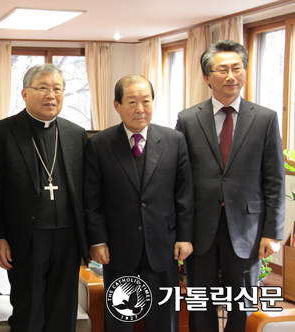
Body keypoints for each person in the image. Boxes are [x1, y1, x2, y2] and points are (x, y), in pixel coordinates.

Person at [175, 40, 285, 332]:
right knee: (202, 299)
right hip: (201, 227)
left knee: (242, 302)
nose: (231, 76)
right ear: (206, 76)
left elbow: (274, 180)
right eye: (222, 69)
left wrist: (272, 232)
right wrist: (180, 232)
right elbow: (180, 181)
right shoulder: (188, 120)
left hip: (248, 228)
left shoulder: (265, 118)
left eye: (237, 68)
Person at [84, 75, 194, 332]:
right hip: (118, 247)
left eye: (146, 101)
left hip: (163, 245)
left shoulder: (173, 140)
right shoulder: (99, 144)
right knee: (121, 318)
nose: (140, 109)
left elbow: (184, 193)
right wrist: (97, 240)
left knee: (164, 318)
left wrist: (184, 237)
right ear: (116, 105)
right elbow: (92, 198)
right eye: (132, 102)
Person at [0, 63, 89, 332]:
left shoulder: (76, 135)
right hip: (25, 238)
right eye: (43, 88)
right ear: (24, 93)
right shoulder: (1, 133)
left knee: (63, 309)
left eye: (57, 89)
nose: (51, 95)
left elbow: (87, 191)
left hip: (68, 238)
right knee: (28, 309)